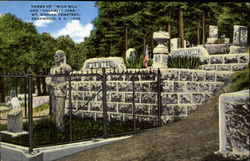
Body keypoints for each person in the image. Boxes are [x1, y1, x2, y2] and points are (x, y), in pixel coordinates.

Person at [46, 50, 71, 131]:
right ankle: (55, 127)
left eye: (57, 56)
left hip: (60, 91)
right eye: (54, 55)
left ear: (61, 57)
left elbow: (68, 69)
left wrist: (64, 60)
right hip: (53, 91)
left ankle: (60, 128)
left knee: (60, 111)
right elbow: (49, 78)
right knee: (54, 111)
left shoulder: (64, 67)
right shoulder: (52, 68)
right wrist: (48, 81)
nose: (55, 57)